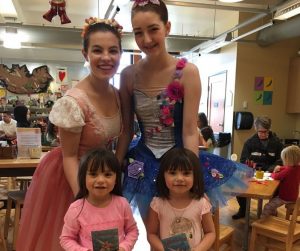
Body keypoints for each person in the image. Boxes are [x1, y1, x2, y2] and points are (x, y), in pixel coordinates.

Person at [116, 0, 250, 220]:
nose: (146, 40)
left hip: (179, 163)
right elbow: (125, 130)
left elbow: (189, 131)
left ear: (167, 27)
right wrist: (114, 166)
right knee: (151, 230)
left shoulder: (188, 72)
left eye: (153, 30)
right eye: (139, 33)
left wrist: (193, 177)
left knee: (178, 228)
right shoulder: (128, 75)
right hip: (140, 162)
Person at [17, 17, 123, 251]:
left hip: (101, 175)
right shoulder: (73, 102)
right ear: (85, 54)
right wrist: (84, 199)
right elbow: (69, 156)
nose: (106, 57)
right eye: (97, 50)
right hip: (71, 178)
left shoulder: (116, 94)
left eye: (113, 50)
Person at [60, 148, 138, 251]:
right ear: (83, 178)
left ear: (116, 179)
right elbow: (66, 238)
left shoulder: (122, 204)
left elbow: (132, 231)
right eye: (93, 174)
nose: (101, 180)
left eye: (107, 174)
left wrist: (124, 247)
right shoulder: (76, 209)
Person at [146, 148, 215, 251]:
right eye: (173, 173)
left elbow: (210, 232)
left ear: (195, 176)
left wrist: (199, 249)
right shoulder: (157, 204)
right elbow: (151, 234)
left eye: (186, 173)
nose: (179, 178)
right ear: (163, 175)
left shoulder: (201, 203)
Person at [232, 116, 283, 219]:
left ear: (269, 129)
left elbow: (281, 160)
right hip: (253, 172)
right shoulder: (249, 142)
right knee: (238, 185)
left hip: (270, 173)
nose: (263, 134)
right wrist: (250, 169)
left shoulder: (277, 143)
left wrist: (270, 169)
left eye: (265, 131)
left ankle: (271, 209)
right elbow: (243, 160)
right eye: (260, 132)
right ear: (256, 129)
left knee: (278, 187)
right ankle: (243, 209)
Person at [262, 145, 300, 217]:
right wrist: (280, 167)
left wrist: (274, 172)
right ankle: (273, 215)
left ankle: (262, 222)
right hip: (293, 195)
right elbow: (286, 168)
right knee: (272, 201)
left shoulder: (289, 171)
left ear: (288, 159)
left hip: (285, 197)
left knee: (267, 207)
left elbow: (276, 176)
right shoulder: (297, 168)